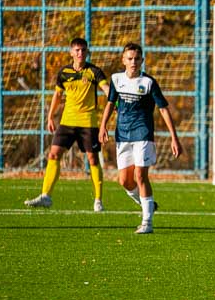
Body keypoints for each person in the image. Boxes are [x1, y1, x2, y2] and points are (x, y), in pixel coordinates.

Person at [98, 42, 182, 234]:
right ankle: (148, 205)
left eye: (137, 59)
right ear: (123, 60)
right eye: (130, 58)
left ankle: (147, 222)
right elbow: (111, 103)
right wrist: (103, 126)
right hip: (122, 135)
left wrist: (174, 137)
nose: (133, 62)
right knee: (124, 181)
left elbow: (163, 109)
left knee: (140, 176)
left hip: (143, 134)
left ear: (142, 60)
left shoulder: (149, 82)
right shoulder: (116, 79)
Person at [25, 37, 109, 212]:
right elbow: (57, 96)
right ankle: (46, 196)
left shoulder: (94, 71)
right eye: (77, 50)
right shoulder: (64, 72)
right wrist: (50, 117)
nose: (80, 53)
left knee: (92, 159)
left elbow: (106, 89)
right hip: (67, 122)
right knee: (54, 154)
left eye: (83, 50)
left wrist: (114, 101)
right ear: (71, 52)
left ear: (87, 52)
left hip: (88, 122)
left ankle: (98, 200)